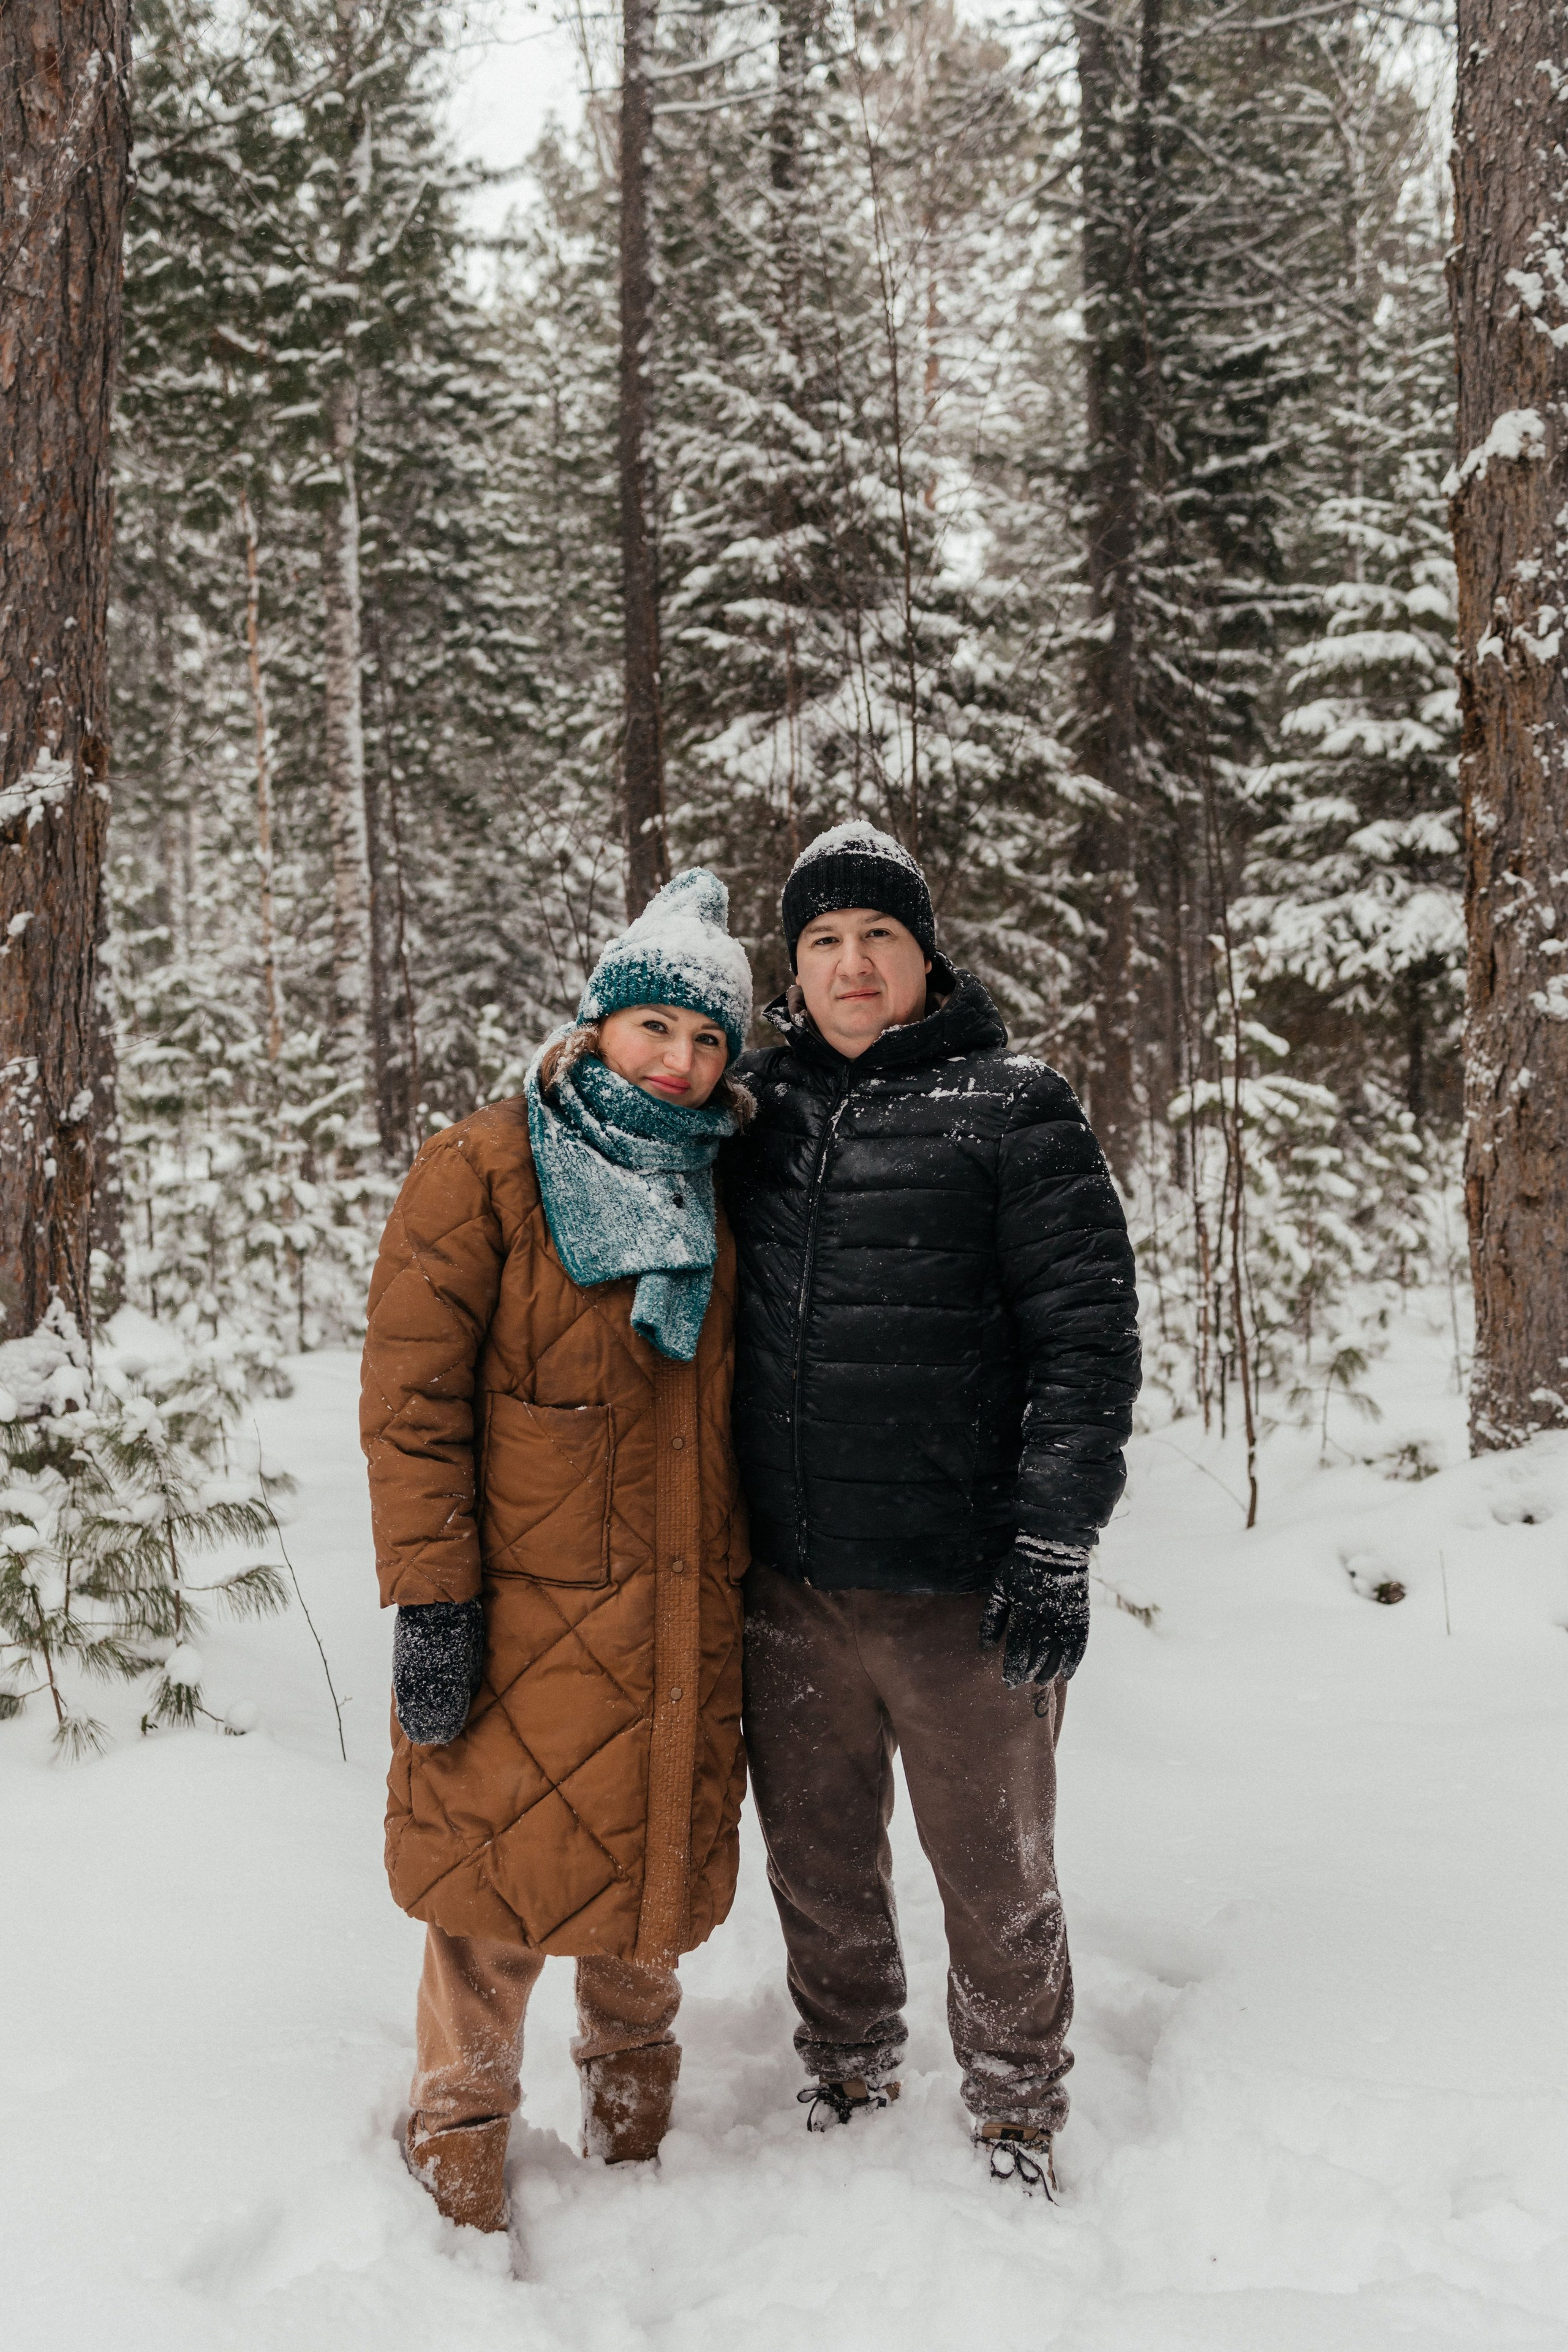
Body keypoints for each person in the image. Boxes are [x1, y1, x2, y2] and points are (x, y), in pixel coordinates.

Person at [725, 821, 1140, 2193]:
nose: (849, 966)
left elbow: (1086, 1339)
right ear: (794, 971)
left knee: (993, 1865)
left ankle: (1017, 2104)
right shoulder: (757, 1109)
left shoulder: (1014, 1108)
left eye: (876, 940)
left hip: (961, 1587)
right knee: (817, 1857)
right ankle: (846, 2061)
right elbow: (613, 1105)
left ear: (923, 957)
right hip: (787, 1579)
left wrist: (1051, 1537)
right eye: (823, 943)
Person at [360, 869, 755, 2237]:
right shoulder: (482, 1168)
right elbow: (410, 1409)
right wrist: (430, 1601)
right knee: (493, 1895)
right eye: (659, 1029)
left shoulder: (727, 1188)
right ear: (598, 1027)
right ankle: (459, 2141)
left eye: (709, 1043)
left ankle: (634, 2145)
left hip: (680, 1610)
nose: (683, 1062)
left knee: (646, 1892)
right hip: (522, 1614)